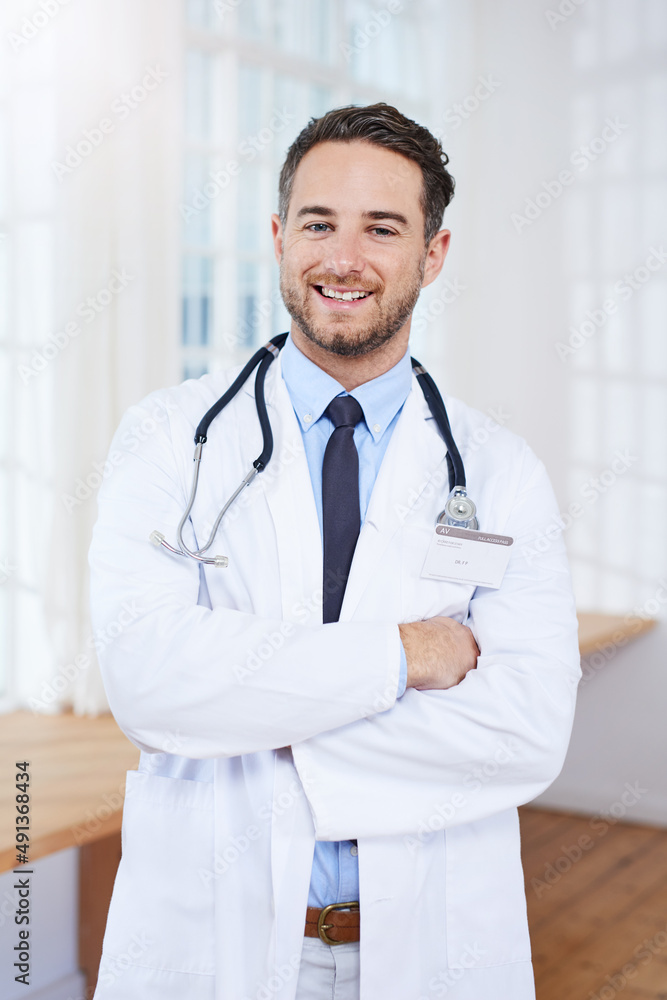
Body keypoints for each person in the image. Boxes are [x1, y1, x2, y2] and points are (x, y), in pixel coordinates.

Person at [89, 103, 581, 1000]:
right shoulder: (167, 439)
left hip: (429, 943)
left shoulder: (501, 472)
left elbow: (525, 730)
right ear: (279, 238)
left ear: (432, 255)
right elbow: (145, 678)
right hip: (210, 942)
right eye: (318, 223)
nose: (343, 259)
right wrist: (405, 654)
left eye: (382, 228)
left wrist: (257, 725)